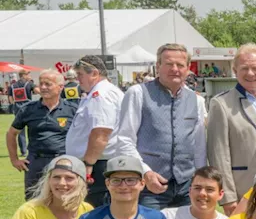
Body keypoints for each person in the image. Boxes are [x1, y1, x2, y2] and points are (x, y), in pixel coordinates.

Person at [114, 44, 208, 210]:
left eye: (180, 65)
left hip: (187, 186)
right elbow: (125, 139)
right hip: (150, 186)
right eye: (169, 64)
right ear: (158, 66)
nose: (175, 69)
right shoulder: (138, 93)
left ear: (187, 69)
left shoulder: (197, 100)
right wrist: (145, 173)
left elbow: (199, 145)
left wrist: (199, 179)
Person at [206, 43, 256, 214]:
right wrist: (228, 197)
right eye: (244, 68)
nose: (250, 73)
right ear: (234, 70)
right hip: (242, 191)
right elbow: (218, 154)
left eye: (255, 68)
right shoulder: (221, 104)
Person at [63, 55, 124, 207]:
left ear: (94, 74)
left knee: (94, 209)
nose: (78, 79)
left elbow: (101, 133)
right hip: (97, 162)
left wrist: (88, 163)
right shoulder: (101, 92)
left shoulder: (101, 95)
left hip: (97, 165)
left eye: (80, 75)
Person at [7, 69, 77, 199]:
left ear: (60, 87)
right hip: (35, 161)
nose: (43, 87)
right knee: (33, 202)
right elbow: (11, 133)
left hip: (63, 161)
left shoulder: (72, 110)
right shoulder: (28, 109)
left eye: (48, 84)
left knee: (64, 200)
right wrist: (14, 159)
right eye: (41, 84)